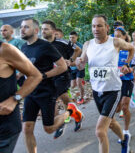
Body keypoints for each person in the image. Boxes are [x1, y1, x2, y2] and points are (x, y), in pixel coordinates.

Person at [20, 18, 82, 153]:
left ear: (34, 30)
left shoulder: (48, 46)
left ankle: (70, 112)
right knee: (27, 129)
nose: (21, 29)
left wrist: (43, 76)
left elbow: (63, 66)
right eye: (21, 27)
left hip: (47, 89)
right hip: (31, 92)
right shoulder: (24, 47)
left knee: (49, 128)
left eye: (26, 27)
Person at [75, 14, 132, 153]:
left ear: (106, 27)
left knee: (100, 131)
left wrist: (127, 64)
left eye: (99, 26)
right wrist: (78, 63)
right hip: (96, 90)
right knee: (111, 122)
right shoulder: (88, 44)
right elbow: (81, 65)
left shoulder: (115, 42)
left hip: (112, 90)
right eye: (93, 26)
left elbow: (132, 49)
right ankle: (124, 139)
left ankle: (124, 140)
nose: (96, 29)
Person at [41, 20, 83, 139]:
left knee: (53, 97)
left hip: (62, 75)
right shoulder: (41, 44)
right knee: (65, 98)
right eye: (42, 29)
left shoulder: (62, 42)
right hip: (49, 76)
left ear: (53, 32)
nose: (43, 31)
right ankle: (76, 114)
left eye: (46, 29)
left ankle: (58, 123)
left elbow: (78, 50)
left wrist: (70, 60)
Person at [0, 42, 42, 153]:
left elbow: (35, 75)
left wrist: (15, 99)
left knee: (49, 127)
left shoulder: (5, 50)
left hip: (4, 129)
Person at [114, 27, 135, 144]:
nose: (116, 38)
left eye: (118, 36)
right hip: (115, 82)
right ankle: (128, 99)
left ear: (124, 37)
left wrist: (130, 68)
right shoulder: (111, 49)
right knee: (116, 109)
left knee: (124, 107)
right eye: (114, 35)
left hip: (127, 80)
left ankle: (126, 131)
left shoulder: (129, 49)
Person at [69, 31, 86, 104]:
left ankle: (81, 98)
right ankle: (81, 80)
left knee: (78, 83)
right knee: (72, 85)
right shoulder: (67, 45)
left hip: (79, 67)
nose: (71, 39)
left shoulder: (81, 46)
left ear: (76, 37)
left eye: (73, 37)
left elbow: (85, 58)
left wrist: (81, 64)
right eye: (70, 37)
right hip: (71, 68)